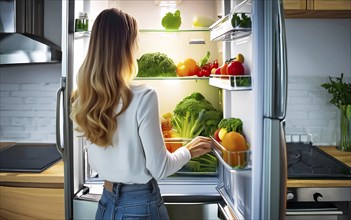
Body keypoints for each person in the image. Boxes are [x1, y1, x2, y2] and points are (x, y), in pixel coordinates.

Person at [70, 8, 212, 220]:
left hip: (105, 203)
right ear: (125, 47)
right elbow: (160, 168)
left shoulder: (83, 97)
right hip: (140, 206)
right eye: (135, 40)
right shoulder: (144, 96)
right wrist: (188, 150)